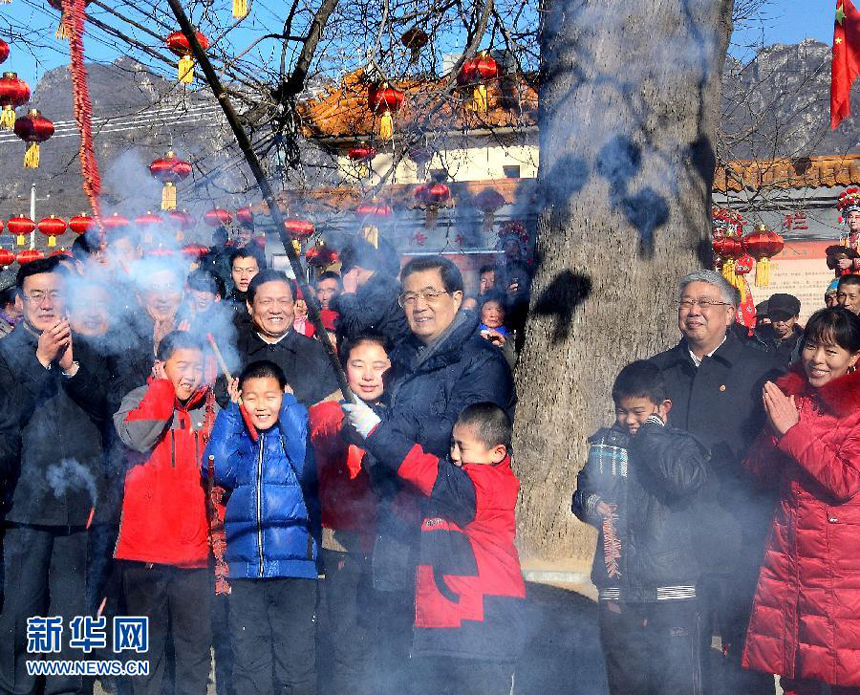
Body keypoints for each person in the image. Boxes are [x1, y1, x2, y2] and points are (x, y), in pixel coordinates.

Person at [346, 255, 516, 695]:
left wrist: (385, 434)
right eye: (409, 296)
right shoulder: (398, 359)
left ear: (458, 299)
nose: (419, 305)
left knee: (450, 661)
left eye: (430, 294)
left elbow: (462, 441)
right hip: (397, 524)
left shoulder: (481, 363)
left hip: (451, 535)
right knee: (394, 655)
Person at [649, 269, 781, 695]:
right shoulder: (657, 371)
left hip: (738, 530)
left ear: (729, 313)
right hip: (674, 535)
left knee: (743, 647)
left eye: (706, 302)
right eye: (687, 302)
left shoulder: (761, 370)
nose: (694, 311)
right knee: (678, 649)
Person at [344, 400, 526, 695]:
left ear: (497, 453)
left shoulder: (486, 485)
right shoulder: (452, 488)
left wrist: (373, 429)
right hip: (444, 631)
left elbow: (421, 467)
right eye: (452, 445)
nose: (453, 455)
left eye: (462, 448)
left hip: (485, 634)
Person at [0, 257, 111, 695]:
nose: (46, 304)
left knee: (72, 617)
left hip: (80, 508)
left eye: (56, 294)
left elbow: (107, 410)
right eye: (36, 295)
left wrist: (70, 368)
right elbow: (6, 416)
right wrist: (42, 362)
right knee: (20, 616)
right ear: (20, 301)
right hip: (24, 507)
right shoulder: (6, 354)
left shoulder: (89, 347)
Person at [741, 307, 860, 695]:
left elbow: (844, 480)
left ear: (854, 359)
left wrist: (791, 431)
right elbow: (758, 474)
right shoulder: (794, 397)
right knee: (795, 668)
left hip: (839, 563)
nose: (818, 360)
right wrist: (775, 433)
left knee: (841, 670)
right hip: (789, 553)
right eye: (811, 347)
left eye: (831, 351)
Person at [572, 360, 709, 695]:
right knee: (625, 682)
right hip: (618, 588)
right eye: (622, 412)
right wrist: (592, 504)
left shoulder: (681, 445)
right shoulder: (606, 446)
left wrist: (651, 435)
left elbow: (683, 481)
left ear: (663, 408)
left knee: (675, 683)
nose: (630, 421)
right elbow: (582, 492)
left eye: (639, 412)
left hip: (670, 590)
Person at [113, 330, 218, 695]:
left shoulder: (212, 409)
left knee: (193, 653)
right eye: (181, 366)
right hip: (145, 552)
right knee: (146, 654)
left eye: (196, 366)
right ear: (161, 366)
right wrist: (161, 388)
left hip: (193, 553)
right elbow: (137, 437)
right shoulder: (139, 398)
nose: (189, 375)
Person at [205, 360, 319, 695]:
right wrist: (229, 414)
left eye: (271, 396)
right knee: (250, 662)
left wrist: (293, 410)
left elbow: (308, 462)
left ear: (285, 396)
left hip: (294, 569)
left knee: (296, 661)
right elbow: (216, 468)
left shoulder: (293, 433)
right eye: (251, 397)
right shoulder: (241, 440)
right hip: (246, 570)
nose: (261, 405)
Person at [310, 334, 388, 695]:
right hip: (342, 542)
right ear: (344, 368)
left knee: (384, 634)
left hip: (391, 543)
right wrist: (350, 424)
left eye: (379, 365)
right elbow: (324, 428)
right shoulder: (330, 408)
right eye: (358, 365)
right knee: (348, 637)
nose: (368, 375)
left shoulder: (398, 409)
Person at [222, 269, 340, 408]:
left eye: (283, 301)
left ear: (294, 304)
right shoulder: (230, 354)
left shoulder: (320, 354)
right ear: (250, 305)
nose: (276, 310)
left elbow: (328, 411)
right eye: (266, 301)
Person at [331, 238, 409, 347]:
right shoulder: (374, 286)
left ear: (354, 270)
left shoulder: (384, 288)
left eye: (344, 271)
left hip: (389, 354)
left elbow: (356, 330)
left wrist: (348, 295)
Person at [752, 293, 803, 368]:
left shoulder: (803, 342)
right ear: (770, 316)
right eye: (776, 317)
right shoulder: (756, 339)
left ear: (796, 318)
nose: (780, 323)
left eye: (786, 318)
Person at [228, 247, 265, 327]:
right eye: (238, 270)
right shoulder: (225, 306)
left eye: (250, 270)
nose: (244, 276)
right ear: (231, 274)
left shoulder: (269, 304)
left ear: (260, 272)